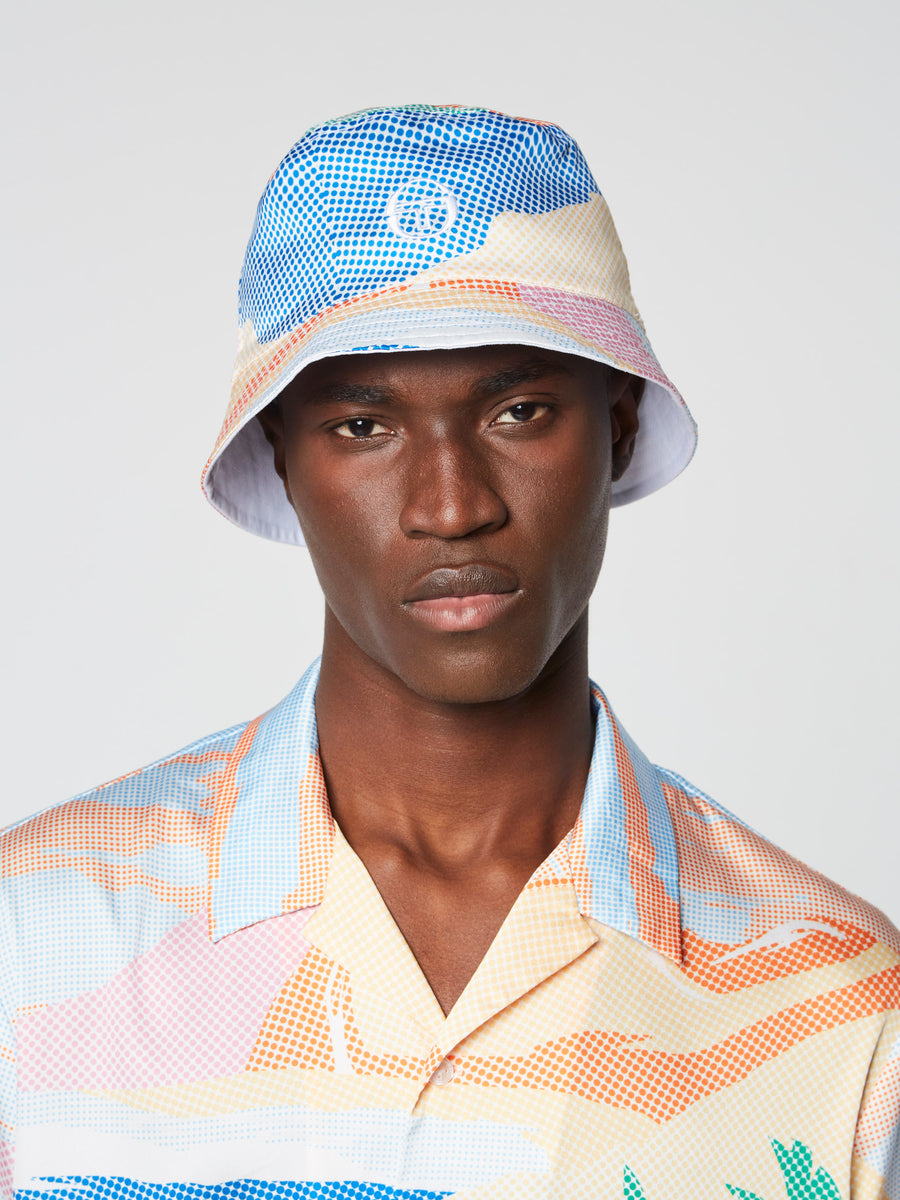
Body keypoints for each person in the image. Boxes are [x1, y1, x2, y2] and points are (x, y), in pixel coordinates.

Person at [1, 104, 896, 1200]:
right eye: (363, 426)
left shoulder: (837, 1012)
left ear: (617, 424)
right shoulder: (34, 939)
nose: (452, 505)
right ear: (280, 451)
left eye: (519, 411)